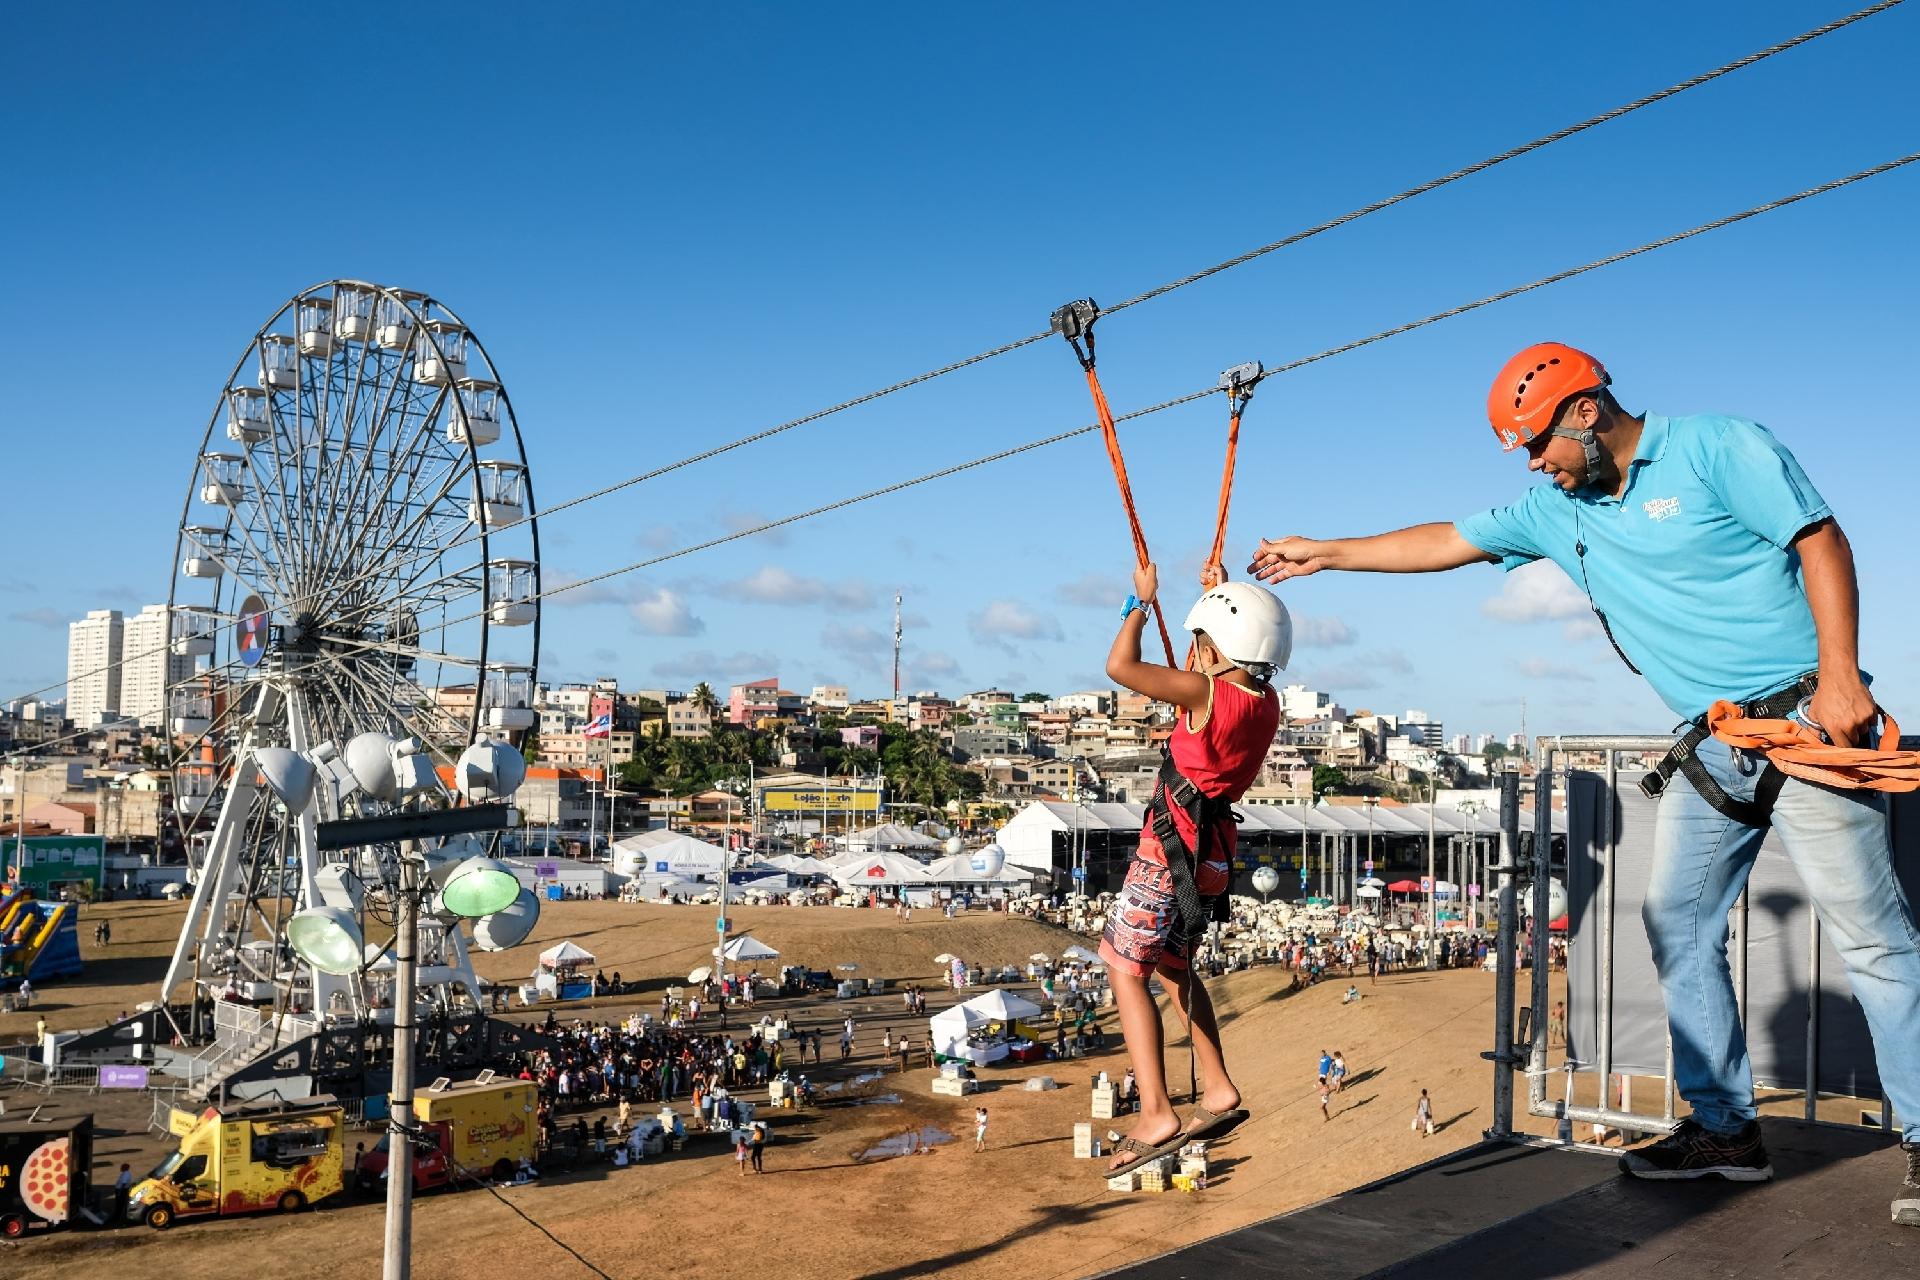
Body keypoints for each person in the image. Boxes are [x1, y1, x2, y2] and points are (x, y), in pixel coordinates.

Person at [1248, 342, 1920, 1220]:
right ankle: (1726, 1130)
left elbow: (1820, 539)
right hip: (1714, 743)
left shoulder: (1717, 448)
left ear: (1585, 413)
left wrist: (1842, 673)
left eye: (1537, 445)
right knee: (1675, 923)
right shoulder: (1555, 510)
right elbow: (1448, 539)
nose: (1534, 466)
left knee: (1871, 938)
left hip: (1803, 723)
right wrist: (1326, 553)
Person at [1097, 561, 1290, 1174]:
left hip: (1169, 854)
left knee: (1125, 970)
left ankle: (1156, 1110)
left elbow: (1121, 669)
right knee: (1176, 970)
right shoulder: (1265, 700)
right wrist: (1215, 596)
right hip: (1209, 855)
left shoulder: (1206, 693)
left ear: (1216, 647)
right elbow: (1203, 673)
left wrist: (1138, 601)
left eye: (1201, 640)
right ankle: (1217, 1085)